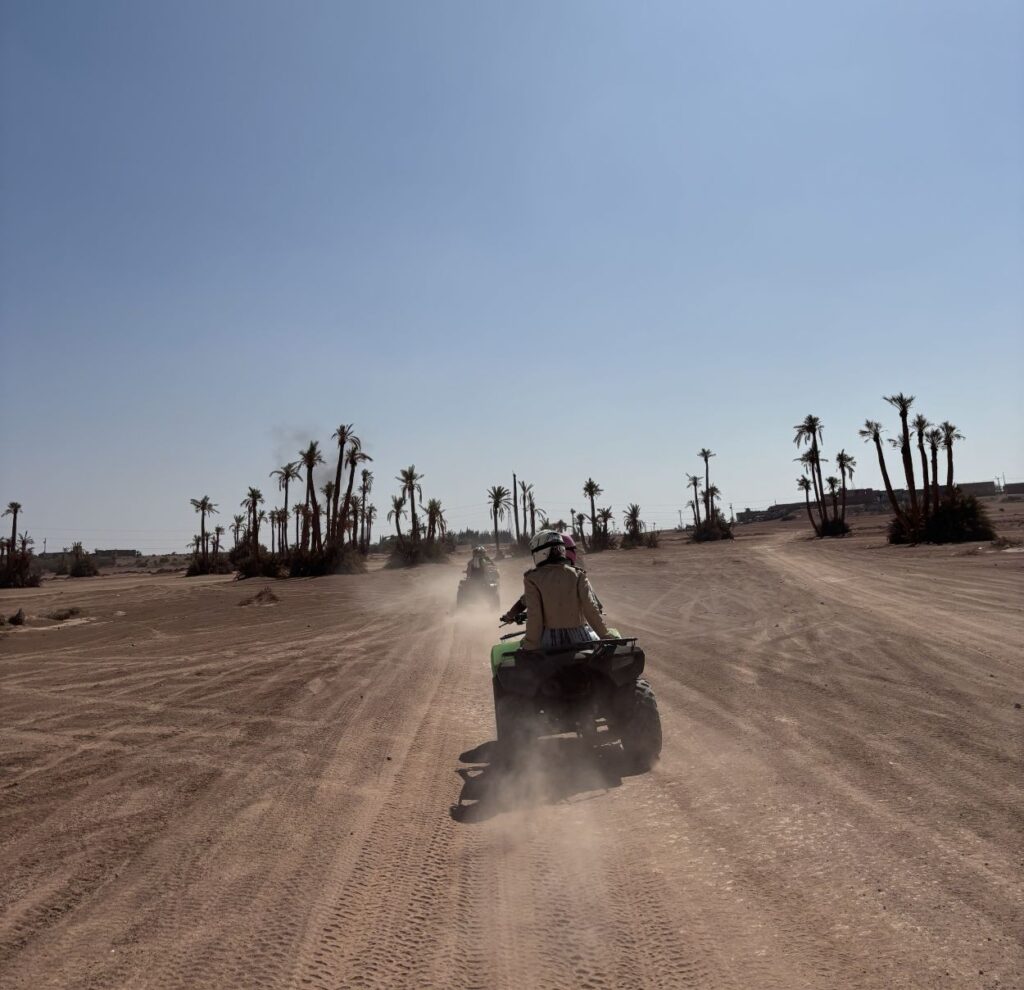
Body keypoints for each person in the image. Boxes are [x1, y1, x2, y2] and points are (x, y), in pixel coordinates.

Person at [516, 530, 610, 651]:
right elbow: (590, 608)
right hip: (581, 637)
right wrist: (605, 635)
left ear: (540, 552)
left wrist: (530, 644)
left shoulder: (532, 578)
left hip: (550, 640)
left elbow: (535, 617)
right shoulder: (578, 574)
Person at [501, 532, 602, 622]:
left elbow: (524, 601)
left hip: (550, 634)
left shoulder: (541, 578)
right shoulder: (579, 575)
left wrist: (510, 615)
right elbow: (596, 604)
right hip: (582, 631)